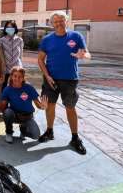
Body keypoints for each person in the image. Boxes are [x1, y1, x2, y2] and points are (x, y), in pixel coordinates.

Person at [37, 11, 91, 155]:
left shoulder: (76, 36)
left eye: (61, 20)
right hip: (51, 79)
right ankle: (49, 131)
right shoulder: (47, 40)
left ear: (66, 21)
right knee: (50, 106)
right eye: (56, 21)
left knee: (70, 107)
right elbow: (40, 59)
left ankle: (75, 138)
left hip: (70, 79)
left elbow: (87, 53)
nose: (59, 23)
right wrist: (47, 76)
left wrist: (83, 55)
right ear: (52, 24)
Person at [0, 67, 48, 144]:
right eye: (15, 76)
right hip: (14, 115)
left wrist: (43, 107)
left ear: (23, 78)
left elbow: (38, 104)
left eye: (20, 77)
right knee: (7, 112)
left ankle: (23, 129)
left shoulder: (29, 88)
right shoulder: (7, 89)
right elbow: (2, 109)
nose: (17, 78)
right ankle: (9, 133)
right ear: (11, 77)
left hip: (27, 116)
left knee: (36, 135)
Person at [0, 20, 24, 90]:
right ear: (5, 29)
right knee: (4, 88)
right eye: (8, 27)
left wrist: (21, 67)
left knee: (17, 88)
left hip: (16, 68)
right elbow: (0, 56)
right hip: (5, 69)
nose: (10, 29)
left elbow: (21, 55)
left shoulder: (19, 40)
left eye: (12, 27)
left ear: (15, 28)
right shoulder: (1, 41)